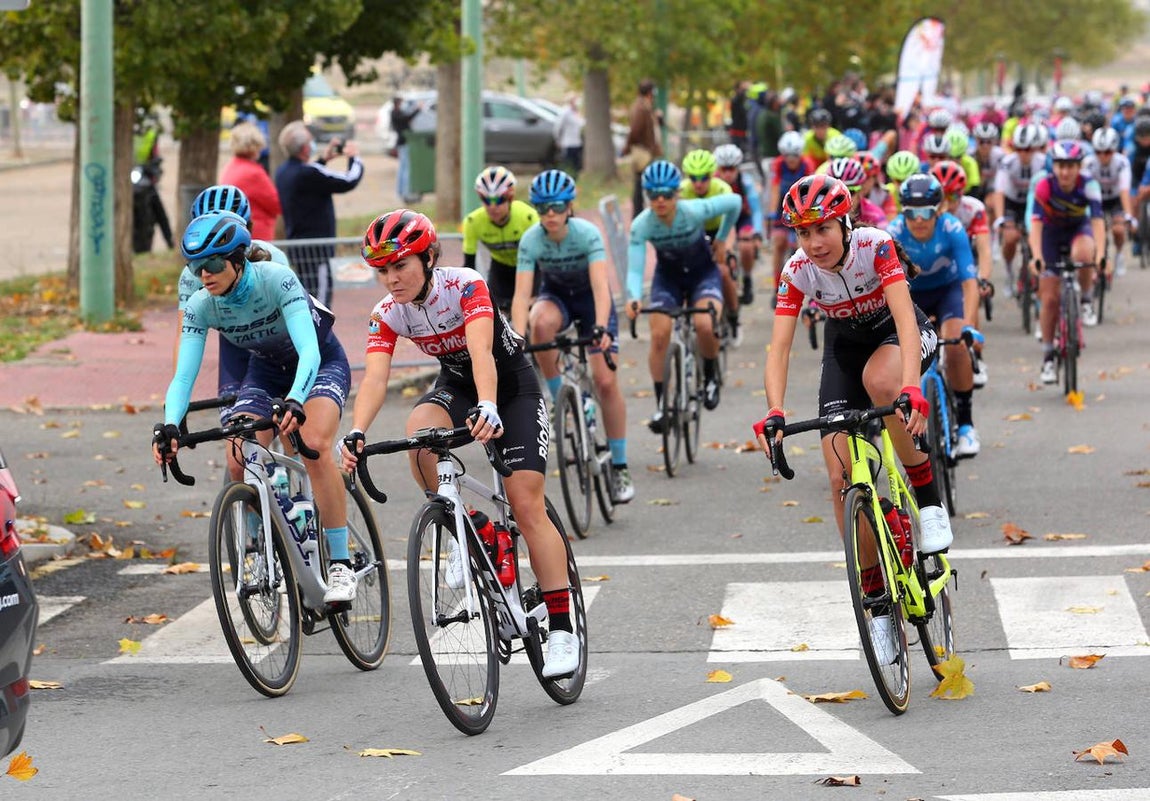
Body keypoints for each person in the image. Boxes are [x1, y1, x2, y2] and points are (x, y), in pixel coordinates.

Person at [342, 209, 579, 678]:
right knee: (420, 433)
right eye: (382, 271)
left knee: (526, 504)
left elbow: (481, 352)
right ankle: (470, 526)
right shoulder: (388, 312)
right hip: (457, 384)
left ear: (429, 257)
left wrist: (489, 404)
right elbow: (374, 378)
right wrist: (357, 430)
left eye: (400, 266)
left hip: (510, 387)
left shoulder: (466, 285)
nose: (391, 279)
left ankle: (562, 629)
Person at [754, 174, 952, 663]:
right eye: (802, 232)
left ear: (844, 223)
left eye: (822, 228)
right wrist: (775, 411)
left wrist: (911, 387)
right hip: (844, 348)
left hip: (900, 337)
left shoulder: (876, 245)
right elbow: (779, 347)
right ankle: (879, 610)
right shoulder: (798, 269)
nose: (813, 243)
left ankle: (927, 500)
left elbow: (906, 319)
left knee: (881, 385)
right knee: (841, 475)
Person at [154, 211, 355, 604]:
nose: (204, 274)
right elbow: (182, 377)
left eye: (212, 264)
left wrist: (297, 399)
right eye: (195, 267)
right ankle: (267, 545)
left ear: (238, 259)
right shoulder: (201, 304)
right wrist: (170, 426)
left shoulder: (275, 279)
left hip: (317, 364)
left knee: (311, 441)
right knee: (239, 453)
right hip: (265, 370)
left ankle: (341, 564)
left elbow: (309, 350)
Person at [511, 170, 635, 503]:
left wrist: (599, 328)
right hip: (558, 297)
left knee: (606, 382)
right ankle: (560, 395)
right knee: (539, 323)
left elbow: (599, 285)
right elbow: (523, 296)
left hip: (592, 301)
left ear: (569, 207)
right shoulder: (532, 239)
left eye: (556, 207)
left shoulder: (587, 234)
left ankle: (620, 467)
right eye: (542, 208)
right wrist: (516, 337)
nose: (550, 214)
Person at [626, 160, 741, 430]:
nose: (661, 200)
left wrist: (722, 239)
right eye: (654, 194)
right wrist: (632, 297)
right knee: (658, 335)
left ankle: (711, 377)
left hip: (703, 274)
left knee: (704, 324)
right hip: (668, 280)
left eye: (667, 193)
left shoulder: (693, 211)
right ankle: (661, 406)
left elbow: (734, 202)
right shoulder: (641, 225)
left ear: (678, 193)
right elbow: (634, 269)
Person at [888, 175, 982, 458]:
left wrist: (969, 327)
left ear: (938, 210)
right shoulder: (891, 233)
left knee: (954, 346)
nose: (918, 219)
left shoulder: (952, 229)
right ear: (902, 212)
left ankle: (966, 424)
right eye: (911, 212)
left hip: (947, 292)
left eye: (926, 211)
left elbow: (969, 283)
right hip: (910, 296)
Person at [1028, 140, 1106, 383]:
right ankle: (1048, 357)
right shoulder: (1044, 186)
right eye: (1060, 165)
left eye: (1070, 166)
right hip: (1050, 234)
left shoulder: (1089, 185)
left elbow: (1097, 222)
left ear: (1079, 167)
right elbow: (1036, 227)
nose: (1065, 172)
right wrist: (1037, 256)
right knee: (1049, 298)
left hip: (1077, 230)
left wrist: (1101, 255)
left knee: (1084, 255)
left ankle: (1085, 298)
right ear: (1054, 166)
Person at [274, 121, 364, 309]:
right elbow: (349, 180)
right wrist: (355, 158)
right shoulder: (308, 173)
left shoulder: (283, 172)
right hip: (318, 249)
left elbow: (310, 177)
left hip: (298, 246)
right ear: (306, 148)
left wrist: (323, 159)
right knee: (320, 304)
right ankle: (320, 338)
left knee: (306, 297)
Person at [930, 160, 993, 387]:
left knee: (970, 298)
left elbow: (985, 248)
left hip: (967, 260)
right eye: (942, 197)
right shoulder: (925, 215)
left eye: (954, 197)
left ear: (963, 193)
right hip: (938, 265)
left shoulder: (974, 209)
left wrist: (983, 278)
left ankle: (976, 353)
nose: (948, 203)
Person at [679, 149, 743, 345]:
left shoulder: (722, 189)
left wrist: (727, 248)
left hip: (720, 231)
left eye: (704, 177)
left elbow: (730, 224)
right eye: (694, 178)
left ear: (711, 175)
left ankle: (733, 318)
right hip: (694, 235)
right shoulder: (681, 191)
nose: (698, 183)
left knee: (723, 271)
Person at [461, 166, 540, 314]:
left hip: (531, 269)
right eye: (486, 200)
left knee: (533, 313)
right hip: (501, 271)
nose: (493, 206)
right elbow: (469, 267)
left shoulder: (528, 217)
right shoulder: (472, 222)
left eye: (499, 200)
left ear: (510, 198)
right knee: (494, 315)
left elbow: (543, 256)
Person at [765, 131, 817, 299]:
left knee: (799, 247)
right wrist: (772, 214)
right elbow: (774, 189)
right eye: (787, 155)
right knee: (779, 244)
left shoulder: (807, 164)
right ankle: (776, 287)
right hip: (783, 207)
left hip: (802, 208)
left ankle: (801, 286)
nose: (791, 159)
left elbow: (812, 190)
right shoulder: (778, 164)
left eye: (795, 155)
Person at [713, 143, 765, 306]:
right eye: (723, 169)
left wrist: (757, 232)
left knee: (746, 247)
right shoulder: (712, 183)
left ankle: (747, 278)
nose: (728, 173)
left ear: (738, 168)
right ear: (718, 169)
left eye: (732, 169)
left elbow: (756, 209)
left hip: (742, 218)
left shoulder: (746, 182)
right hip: (721, 220)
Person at [1084, 127, 1135, 275]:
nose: (1103, 156)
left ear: (1114, 150)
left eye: (1107, 152)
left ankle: (1119, 254)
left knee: (1118, 230)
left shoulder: (1122, 162)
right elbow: (1085, 191)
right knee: (1091, 231)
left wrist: (1129, 216)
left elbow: (1124, 190)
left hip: (1115, 199)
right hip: (1095, 199)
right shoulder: (1088, 163)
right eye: (1098, 152)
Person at [220, 121, 281, 241]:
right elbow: (276, 204)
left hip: (236, 232)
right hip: (257, 234)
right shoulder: (254, 173)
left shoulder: (230, 167)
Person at [622, 79, 664, 223]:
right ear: (650, 92)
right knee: (641, 183)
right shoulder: (641, 108)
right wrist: (627, 147)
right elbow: (635, 130)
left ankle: (641, 213)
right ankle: (638, 215)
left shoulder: (646, 106)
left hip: (646, 151)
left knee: (643, 182)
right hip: (643, 151)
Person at [390, 95, 423, 203]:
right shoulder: (396, 114)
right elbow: (407, 118)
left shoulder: (395, 113)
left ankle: (401, 191)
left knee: (402, 168)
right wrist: (417, 109)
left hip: (401, 143)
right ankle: (405, 192)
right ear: (398, 103)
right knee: (406, 169)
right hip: (404, 142)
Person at [553, 94, 586, 177]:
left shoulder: (576, 113)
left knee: (577, 165)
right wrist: (558, 140)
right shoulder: (565, 112)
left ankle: (575, 177)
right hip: (568, 143)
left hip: (577, 142)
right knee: (567, 163)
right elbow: (558, 127)